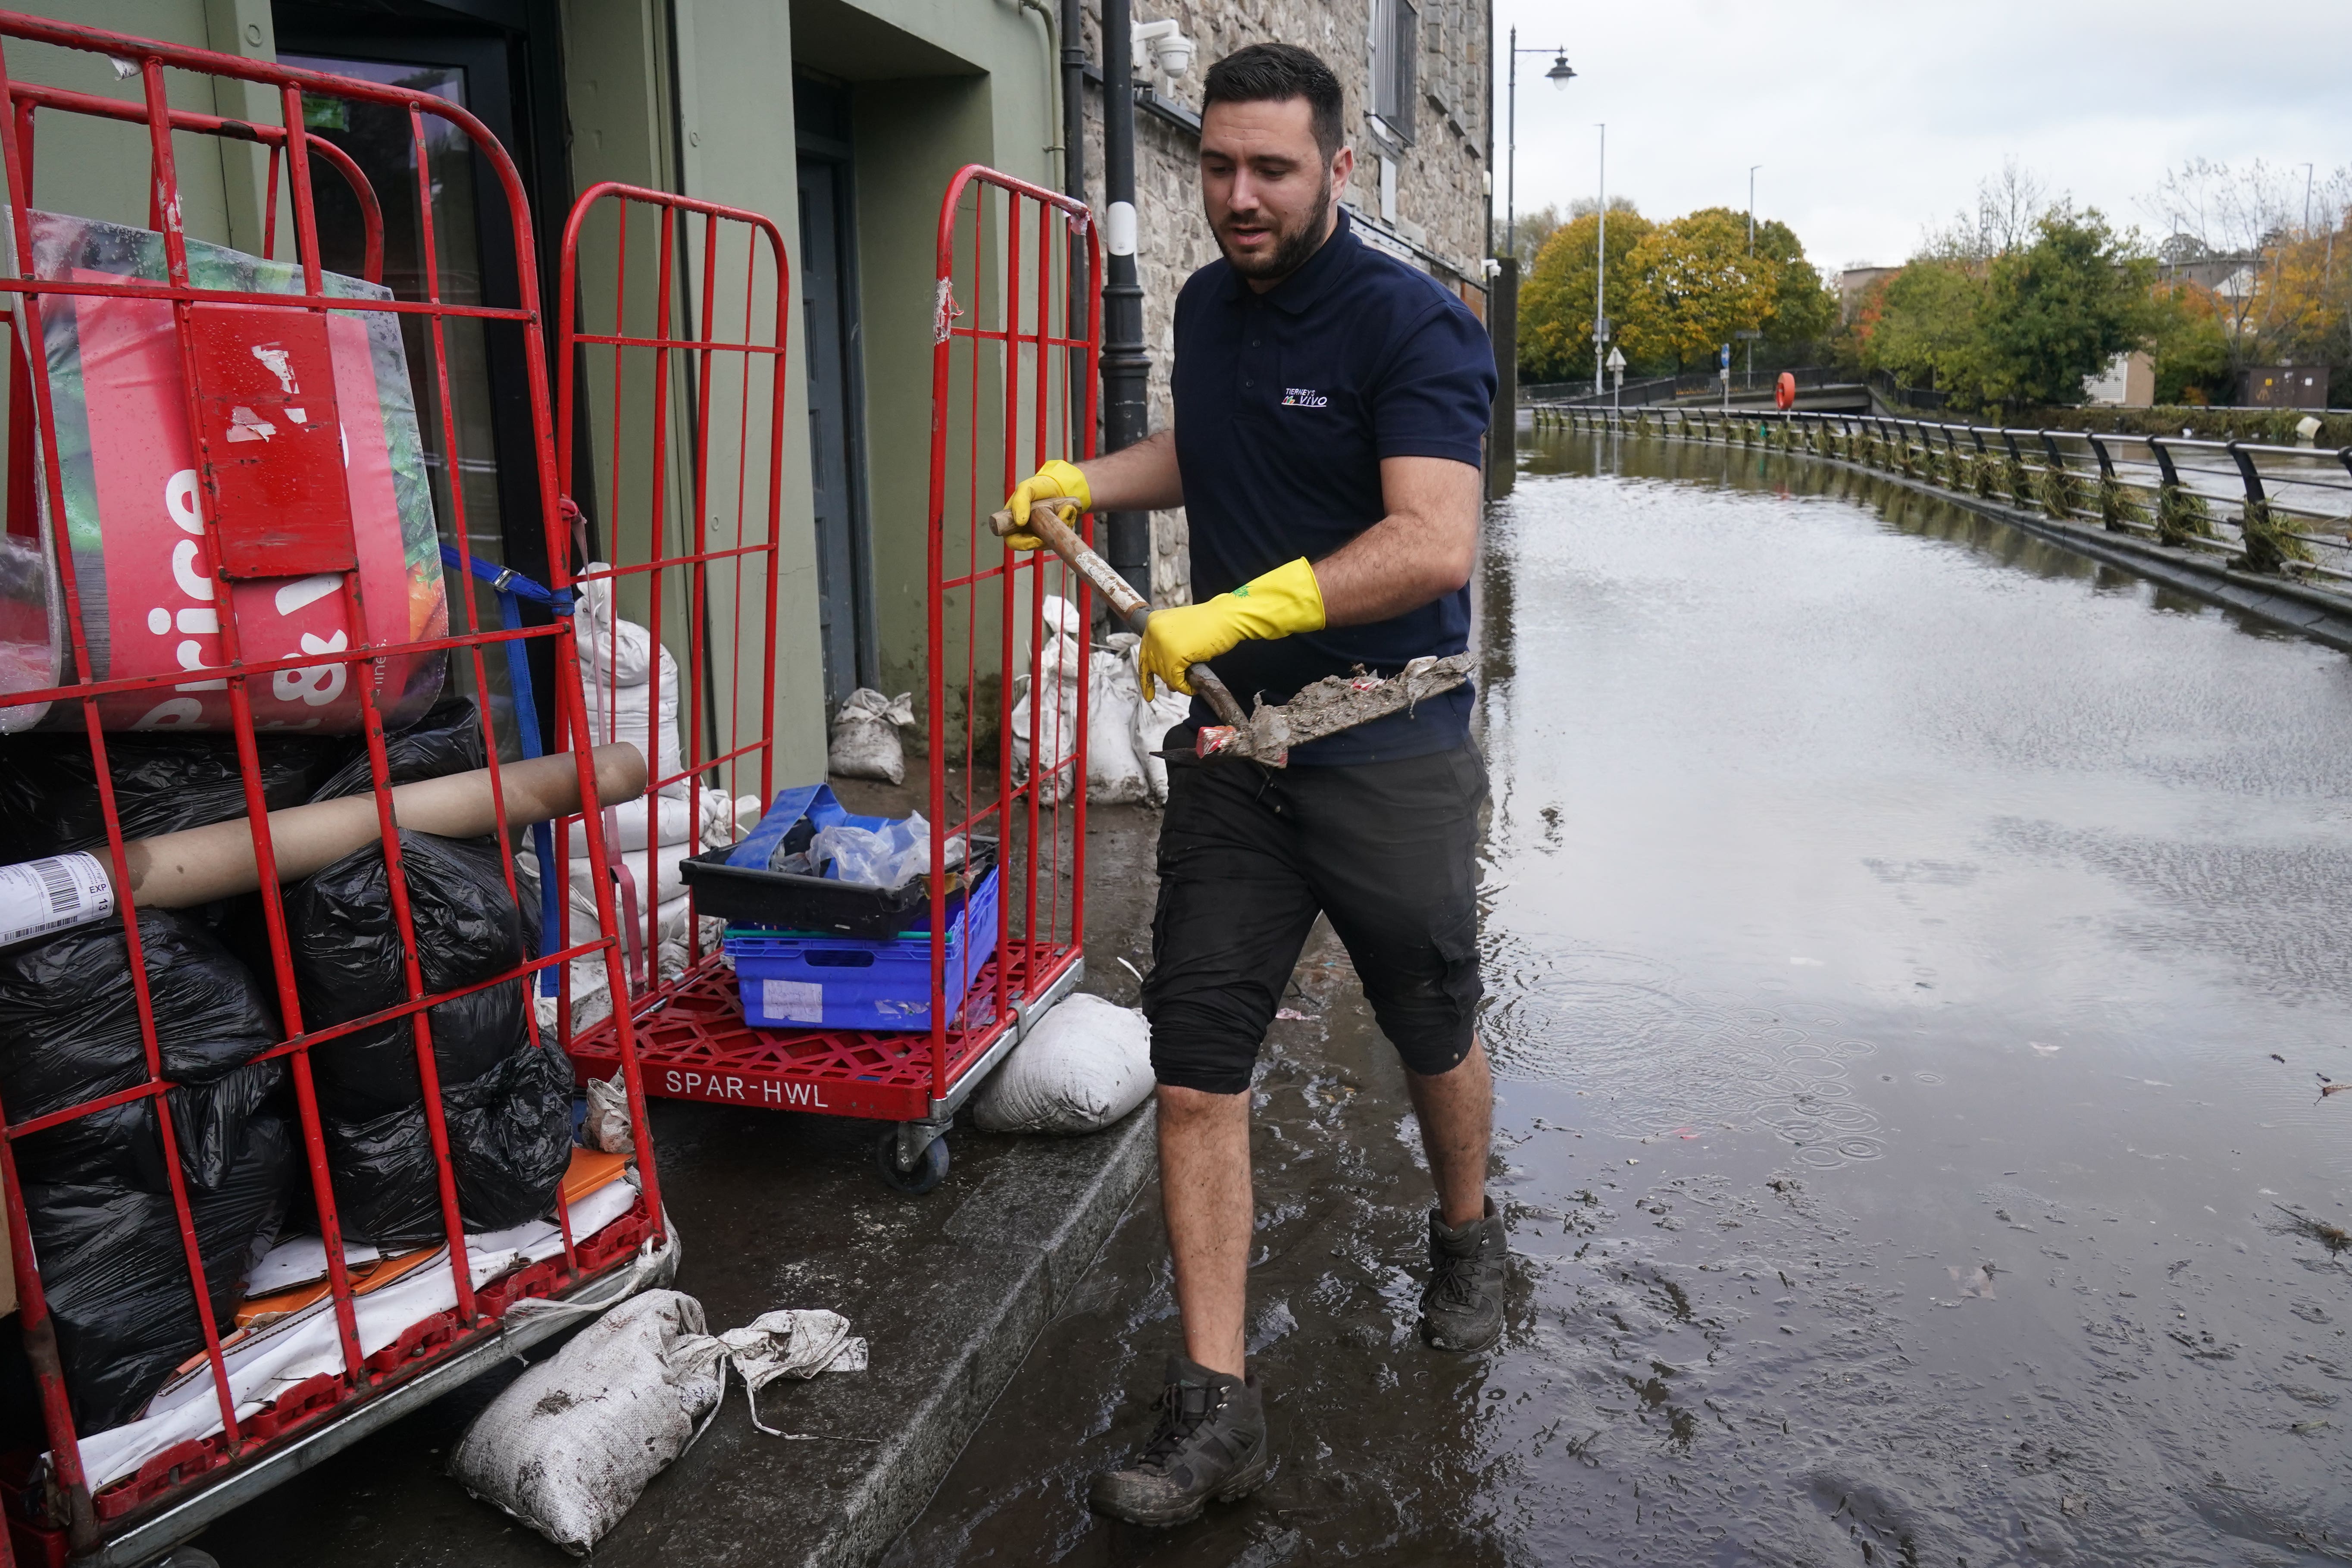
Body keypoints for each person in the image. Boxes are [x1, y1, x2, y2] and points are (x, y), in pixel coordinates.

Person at [1000, 41, 1502, 1529]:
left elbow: (1432, 541)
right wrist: (1092, 480)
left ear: (1338, 169)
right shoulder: (1213, 302)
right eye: (1217, 166)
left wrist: (1242, 608)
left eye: (1270, 169)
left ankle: (1468, 1235)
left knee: (1430, 1020)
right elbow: (1206, 447)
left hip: (1390, 738)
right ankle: (1217, 1411)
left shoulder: (1417, 326)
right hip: (1236, 753)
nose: (1237, 196)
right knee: (1196, 1059)